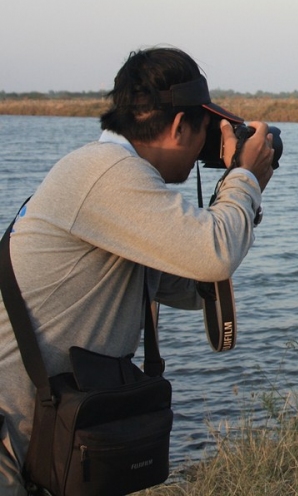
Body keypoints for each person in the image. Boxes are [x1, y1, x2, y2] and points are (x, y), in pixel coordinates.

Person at [0, 47, 276, 496]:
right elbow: (215, 254)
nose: (202, 152)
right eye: (205, 132)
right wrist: (242, 179)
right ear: (178, 126)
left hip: (43, 439)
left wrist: (245, 198)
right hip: (11, 441)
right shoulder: (107, 172)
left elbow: (192, 285)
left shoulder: (119, 178)